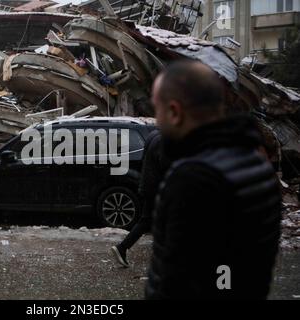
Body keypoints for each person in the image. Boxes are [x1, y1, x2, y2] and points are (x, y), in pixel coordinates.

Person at [146, 60, 281, 300]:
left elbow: (178, 281)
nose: (157, 120)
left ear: (175, 112)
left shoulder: (194, 178)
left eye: (157, 110)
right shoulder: (257, 162)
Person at [111, 128, 170, 267]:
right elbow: (165, 164)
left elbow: (146, 160)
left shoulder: (153, 135)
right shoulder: (163, 139)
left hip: (148, 185)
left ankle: (122, 247)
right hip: (158, 188)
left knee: (147, 221)